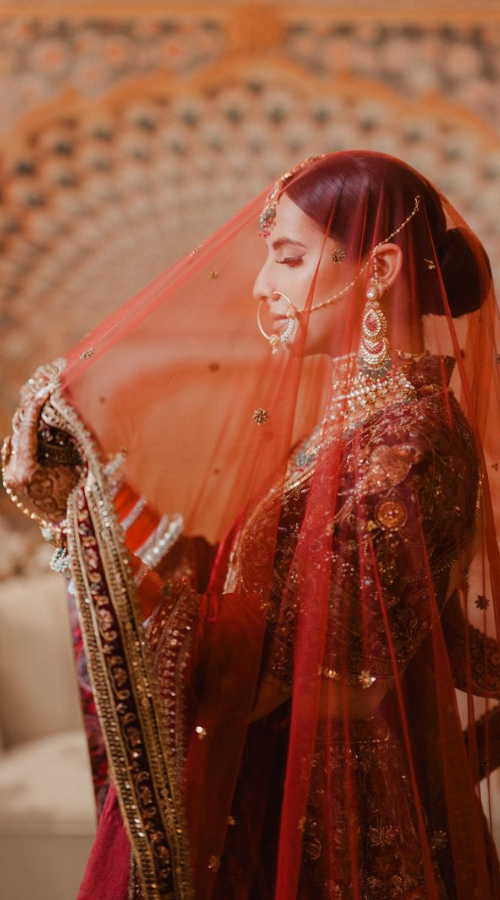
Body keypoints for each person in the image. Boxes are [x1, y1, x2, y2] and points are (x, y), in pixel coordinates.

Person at [3, 151, 500, 900]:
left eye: (290, 258)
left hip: (335, 822)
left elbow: (293, 677)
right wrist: (83, 497)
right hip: (288, 792)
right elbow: (258, 604)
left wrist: (96, 546)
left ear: (383, 265)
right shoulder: (354, 430)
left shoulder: (408, 444)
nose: (263, 287)